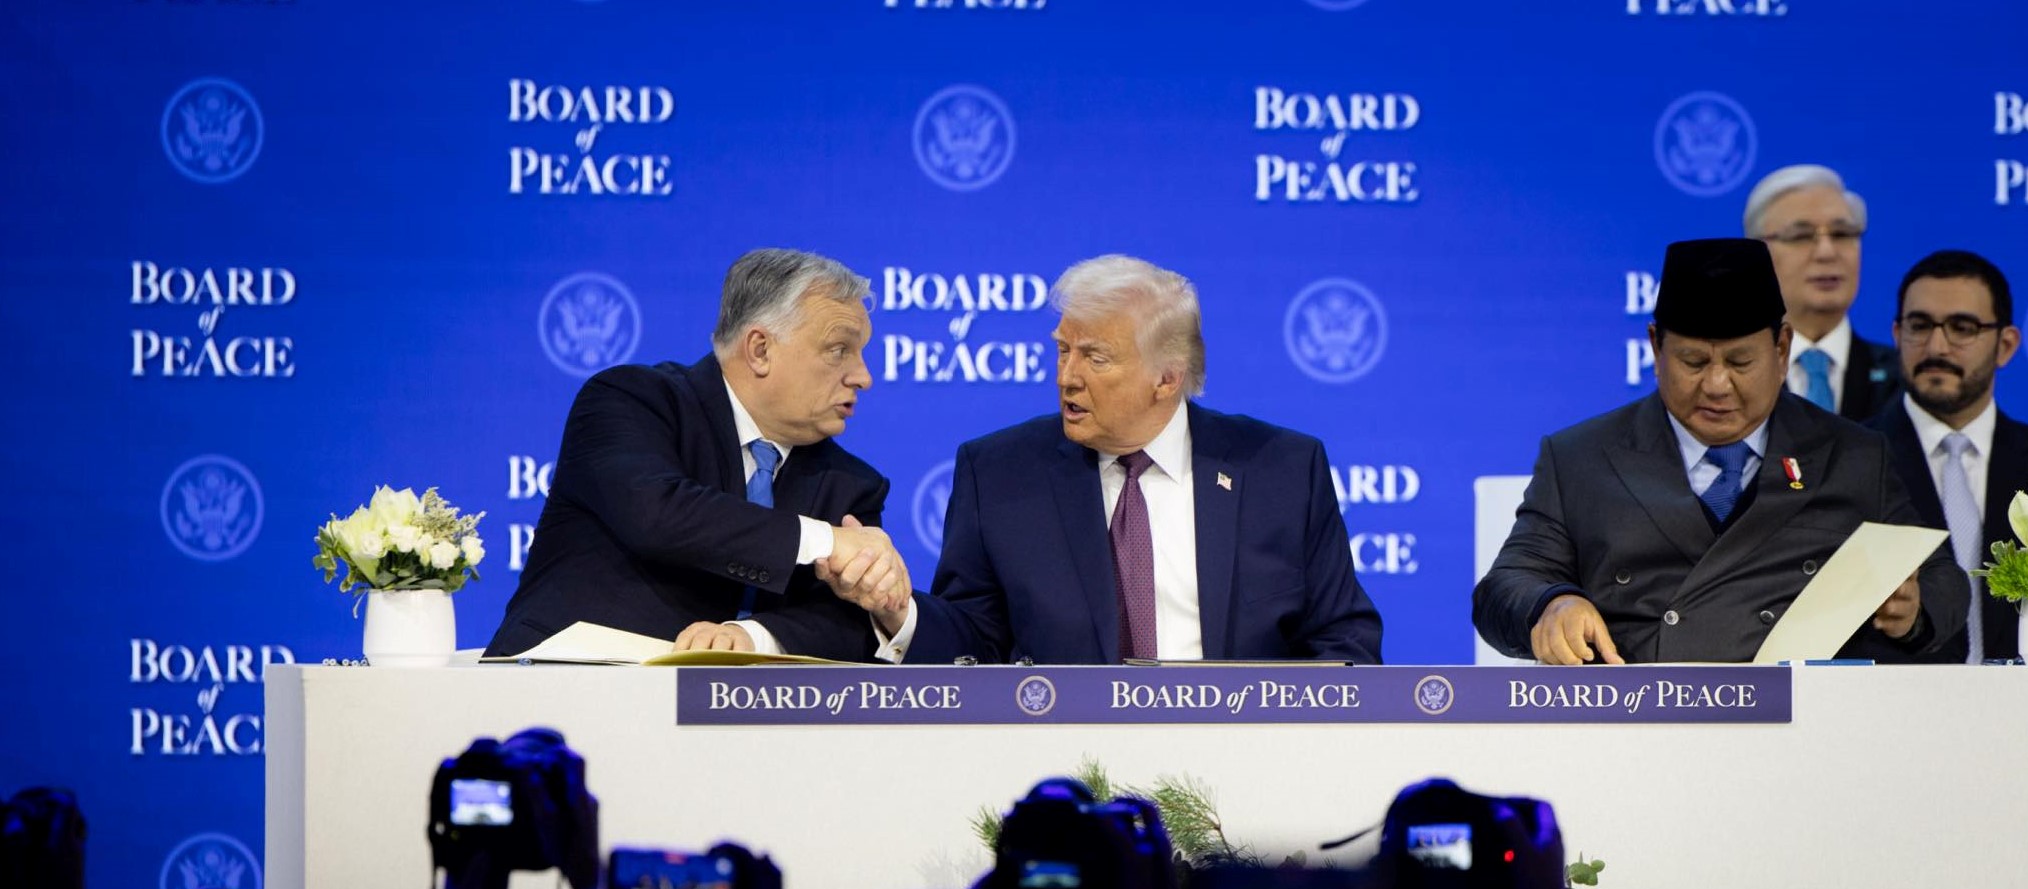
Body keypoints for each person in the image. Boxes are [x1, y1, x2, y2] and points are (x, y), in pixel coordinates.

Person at [823, 254, 1383, 664]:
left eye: (1095, 358)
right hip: (1064, 760)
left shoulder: (1282, 470)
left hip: (1238, 758)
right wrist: (898, 612)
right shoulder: (998, 473)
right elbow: (973, 643)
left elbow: (1344, 641)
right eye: (1063, 350)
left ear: (1167, 378)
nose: (1067, 376)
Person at [1474, 237, 1963, 664]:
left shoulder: (1853, 456)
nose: (1716, 385)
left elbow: (1945, 581)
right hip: (1639, 721)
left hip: (1804, 725)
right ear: (1655, 348)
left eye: (1740, 362)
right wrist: (1552, 604)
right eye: (1693, 361)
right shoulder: (1581, 458)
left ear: (1781, 349)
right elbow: (1504, 587)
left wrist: (1913, 611)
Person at [485, 249, 907, 660]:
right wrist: (825, 540)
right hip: (560, 681)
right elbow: (657, 512)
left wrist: (752, 638)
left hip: (723, 702)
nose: (864, 377)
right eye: (839, 350)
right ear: (760, 350)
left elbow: (849, 622)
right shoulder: (631, 399)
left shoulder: (852, 484)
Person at [1866, 251, 2027, 662]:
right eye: (1920, 326)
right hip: (1892, 698)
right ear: (1897, 334)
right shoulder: (1849, 459)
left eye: (1962, 328)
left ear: (2006, 345)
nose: (1937, 346)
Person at [1742, 165, 1901, 422]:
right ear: (1756, 254)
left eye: (1841, 234)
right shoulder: (1731, 380)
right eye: (1801, 236)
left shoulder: (1905, 380)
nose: (1827, 252)